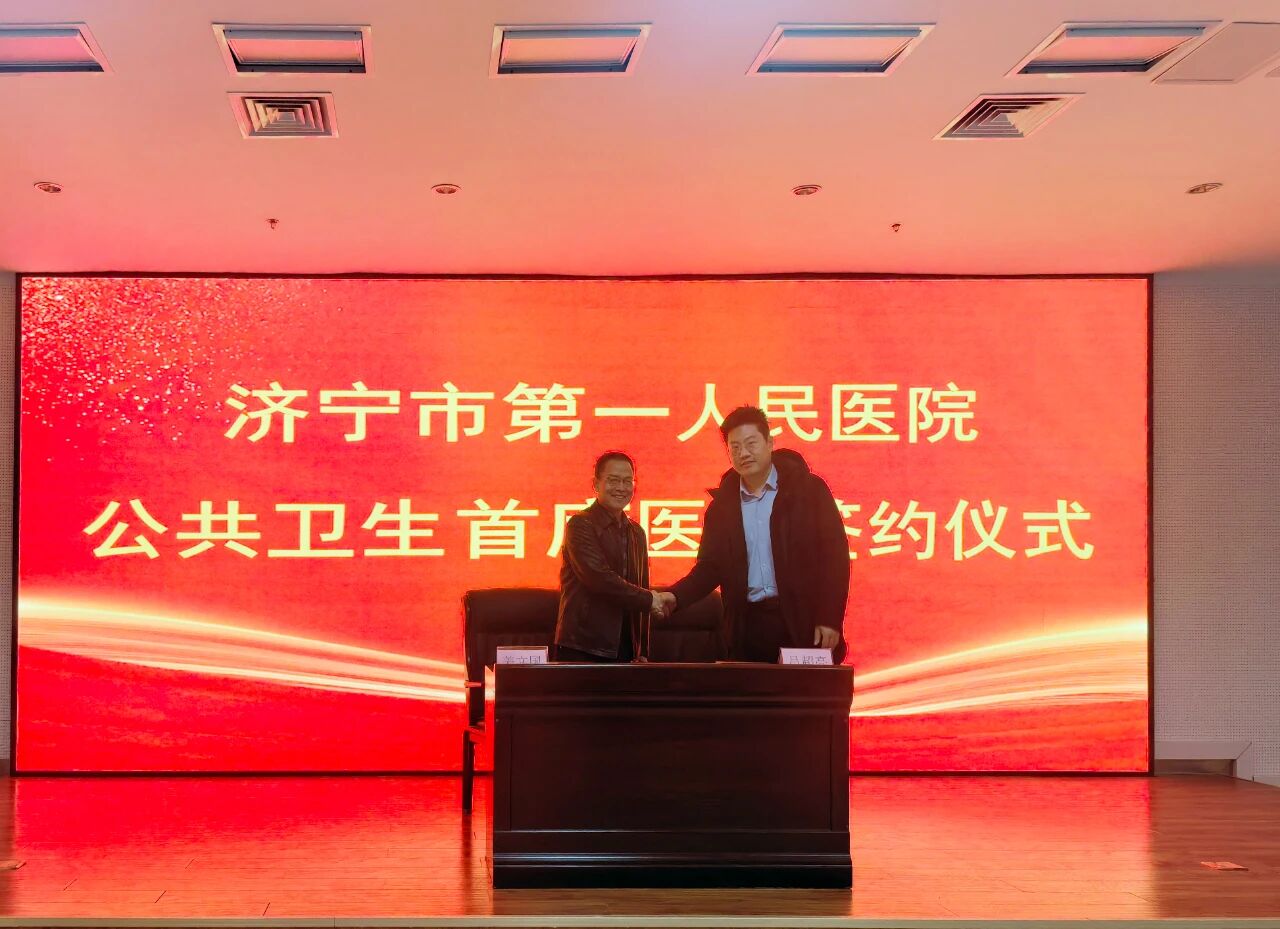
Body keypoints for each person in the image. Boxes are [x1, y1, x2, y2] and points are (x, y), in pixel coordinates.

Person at [662, 405, 850, 663]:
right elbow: (710, 568)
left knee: (802, 689)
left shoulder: (808, 491)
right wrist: (675, 596)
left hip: (801, 622)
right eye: (735, 447)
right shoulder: (722, 506)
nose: (744, 453)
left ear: (769, 443)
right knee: (749, 689)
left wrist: (829, 618)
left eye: (751, 443)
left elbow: (834, 558)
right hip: (747, 627)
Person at [555, 451, 667, 662]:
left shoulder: (636, 532)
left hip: (625, 648)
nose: (621, 488)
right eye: (613, 480)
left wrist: (641, 649)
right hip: (584, 645)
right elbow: (598, 578)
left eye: (627, 481)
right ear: (596, 484)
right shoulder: (580, 525)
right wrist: (650, 599)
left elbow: (641, 585)